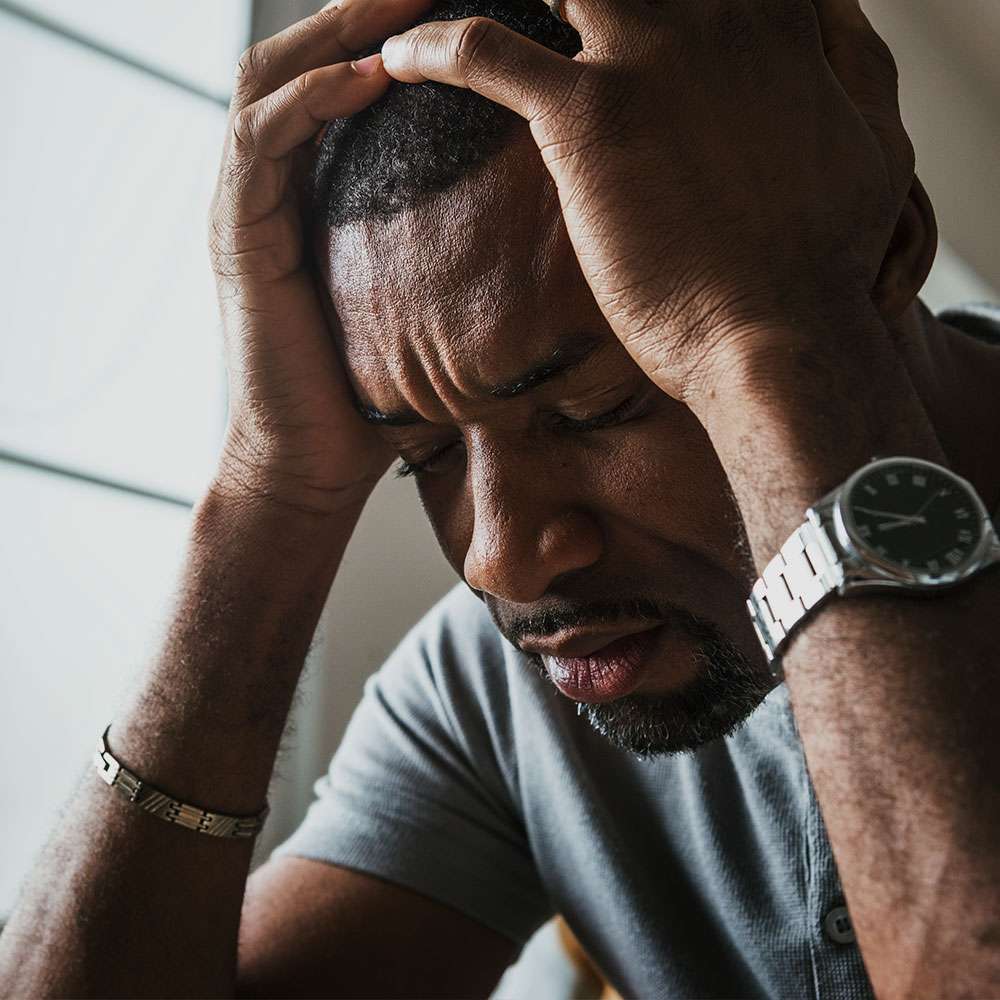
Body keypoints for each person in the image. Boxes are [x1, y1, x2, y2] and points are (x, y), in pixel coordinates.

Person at [1, 0, 998, 996]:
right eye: (421, 453)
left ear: (885, 252)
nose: (502, 559)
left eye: (599, 407)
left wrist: (775, 348)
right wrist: (270, 495)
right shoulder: (499, 686)